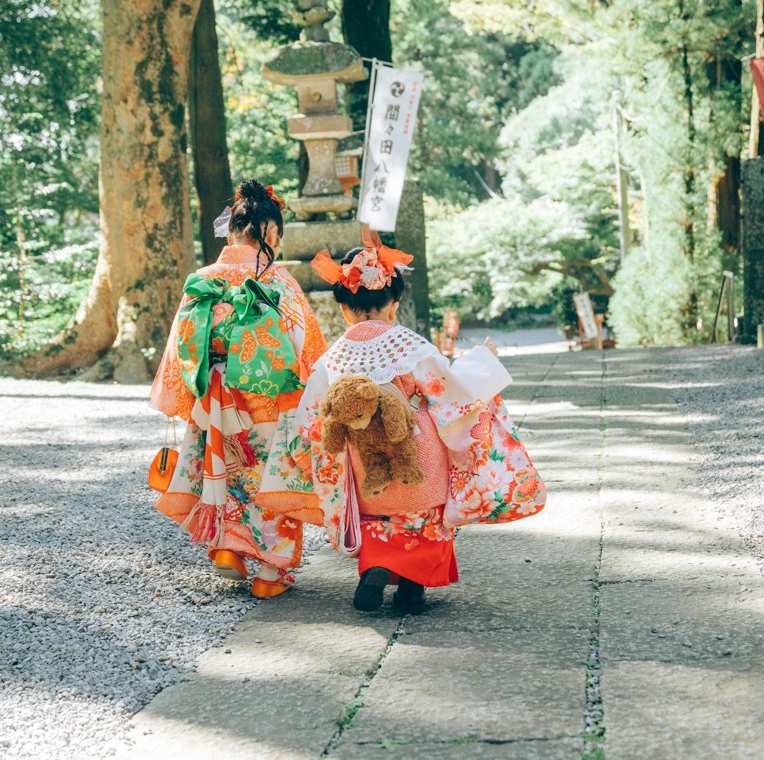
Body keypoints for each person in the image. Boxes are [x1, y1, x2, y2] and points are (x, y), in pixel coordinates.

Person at [257, 227, 547, 613]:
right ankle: (412, 588)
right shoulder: (410, 345)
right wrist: (484, 364)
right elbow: (453, 391)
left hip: (364, 460)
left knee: (378, 515)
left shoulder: (333, 359)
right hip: (417, 449)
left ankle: (374, 567)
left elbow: (311, 420)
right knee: (423, 516)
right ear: (394, 303)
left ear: (344, 309)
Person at [149, 180, 327, 598]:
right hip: (266, 400)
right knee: (272, 477)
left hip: (212, 399)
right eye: (277, 237)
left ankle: (229, 548)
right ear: (268, 234)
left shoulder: (202, 279)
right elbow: (306, 343)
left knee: (225, 472)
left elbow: (180, 346)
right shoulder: (278, 280)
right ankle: (269, 574)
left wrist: (184, 395)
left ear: (232, 231)